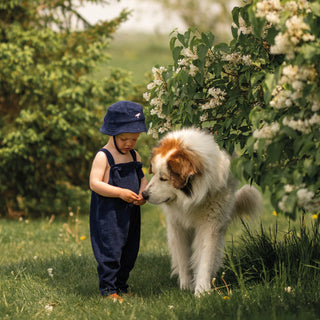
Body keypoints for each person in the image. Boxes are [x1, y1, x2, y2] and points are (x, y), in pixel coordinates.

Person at [89, 101, 148, 302]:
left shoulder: (134, 155)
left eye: (134, 139)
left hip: (130, 212)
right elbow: (95, 183)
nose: (129, 143)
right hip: (109, 213)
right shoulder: (103, 156)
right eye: (124, 139)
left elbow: (142, 177)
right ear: (112, 133)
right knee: (111, 250)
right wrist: (119, 192)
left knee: (129, 250)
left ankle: (122, 286)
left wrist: (142, 193)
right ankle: (108, 290)